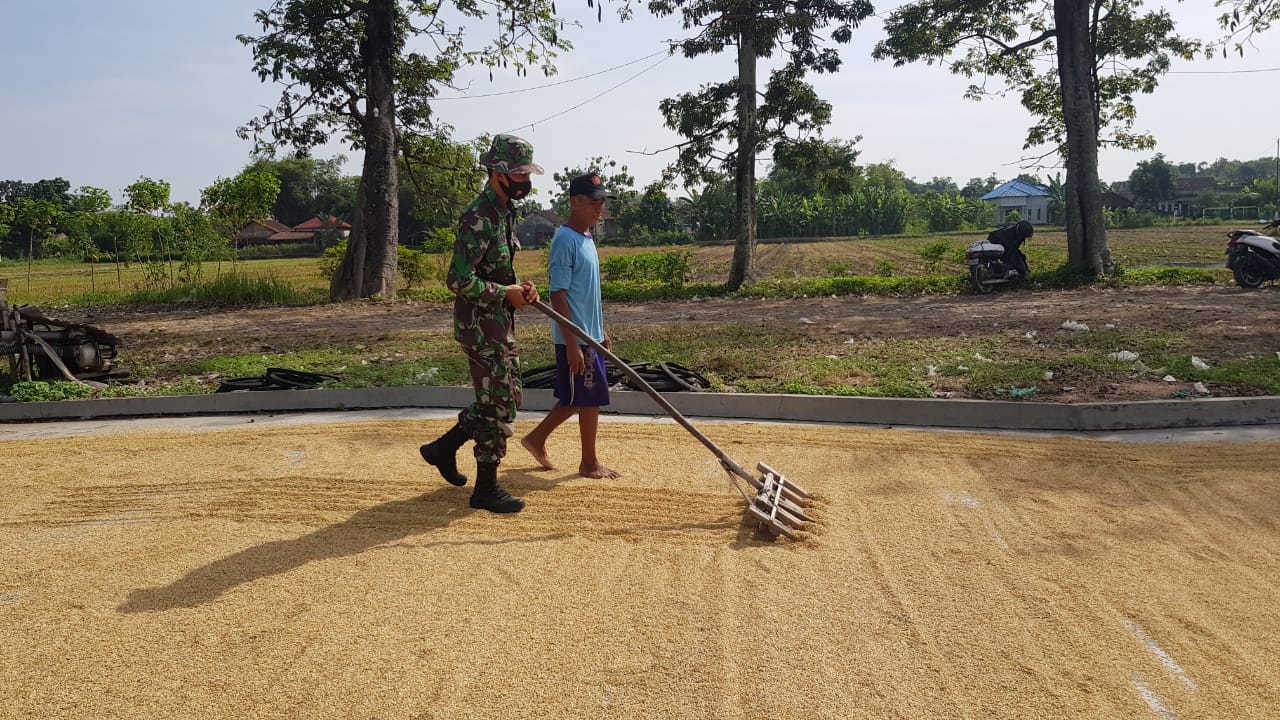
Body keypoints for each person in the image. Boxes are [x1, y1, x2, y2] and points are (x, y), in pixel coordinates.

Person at [420, 133, 542, 514]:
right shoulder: (478, 217)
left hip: (498, 323)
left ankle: (443, 448)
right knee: (499, 405)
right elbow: (458, 280)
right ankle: (486, 489)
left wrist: (520, 289)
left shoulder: (505, 212)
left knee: (507, 397)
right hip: (480, 326)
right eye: (518, 175)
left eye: (527, 175)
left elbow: (497, 270)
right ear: (496, 173)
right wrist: (503, 293)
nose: (525, 182)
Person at [520, 172, 621, 480]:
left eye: (602, 202)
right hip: (574, 336)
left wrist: (600, 330)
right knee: (585, 397)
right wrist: (573, 343)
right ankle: (587, 461)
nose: (599, 208)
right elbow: (557, 293)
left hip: (588, 334)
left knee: (582, 397)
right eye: (594, 202)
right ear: (575, 202)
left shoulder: (587, 238)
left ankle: (537, 440)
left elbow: (589, 293)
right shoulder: (565, 240)